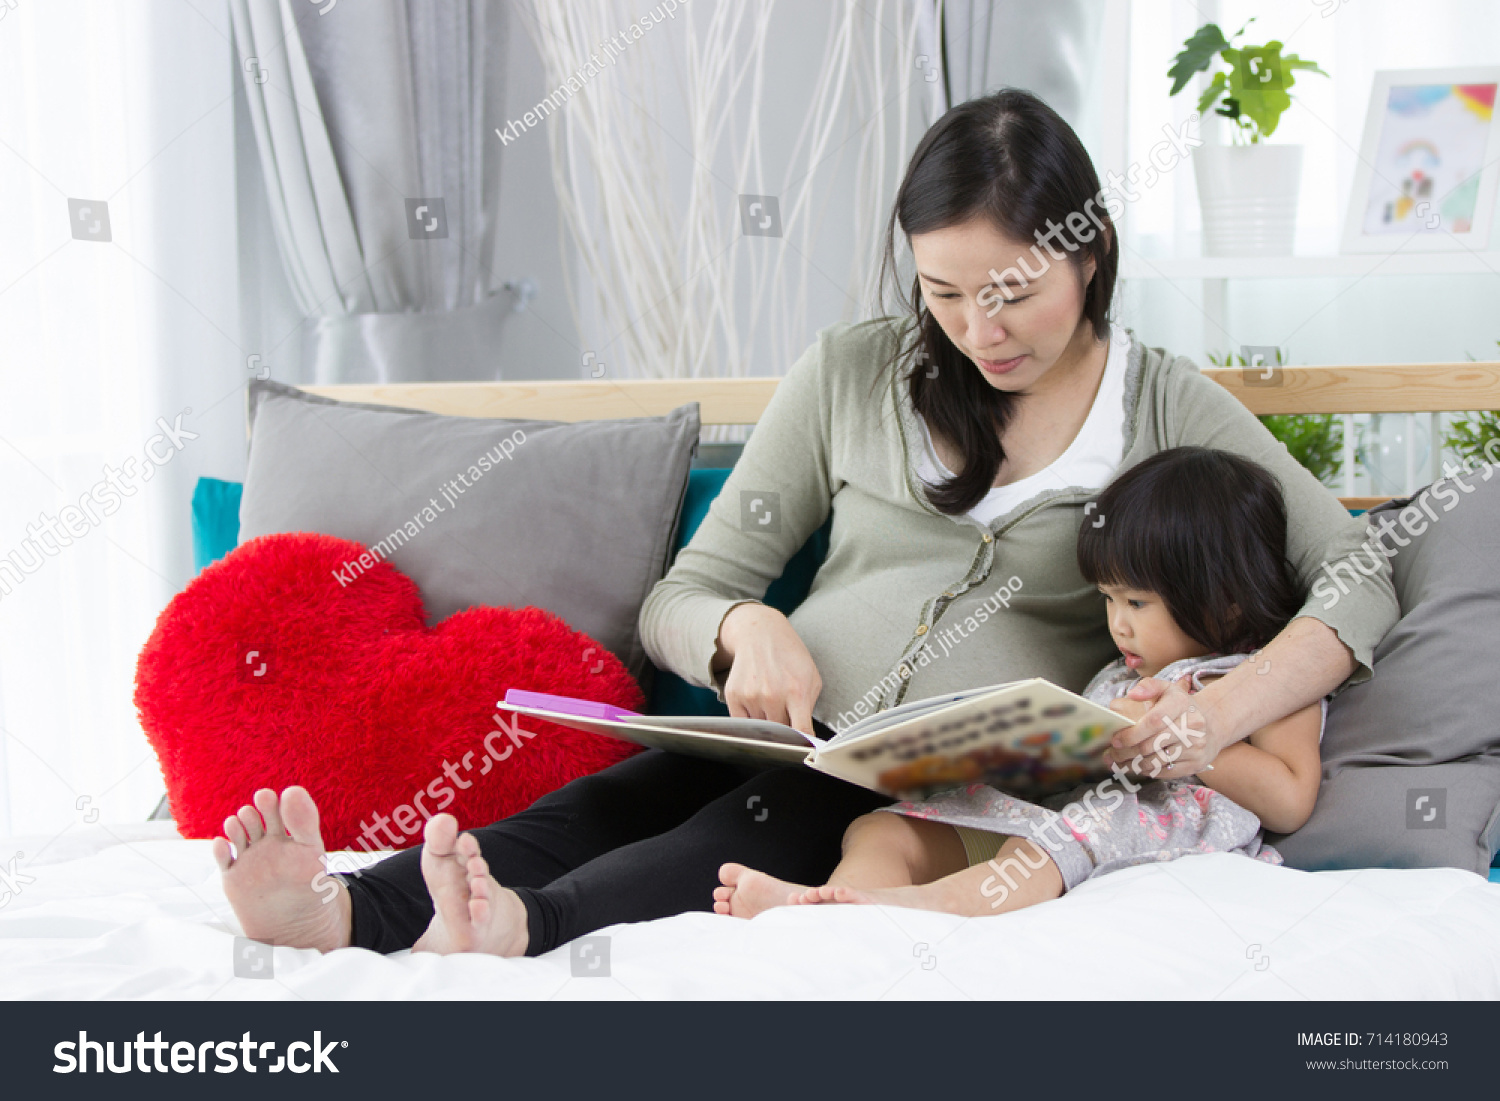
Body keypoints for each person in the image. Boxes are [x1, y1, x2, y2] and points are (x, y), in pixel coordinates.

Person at [212, 88, 1396, 959]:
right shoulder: (850, 373)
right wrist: (741, 629)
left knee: (753, 820)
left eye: (1013, 293)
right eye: (942, 294)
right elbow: (681, 594)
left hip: (956, 781)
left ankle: (525, 930)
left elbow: (1358, 565)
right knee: (620, 796)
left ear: (1089, 257)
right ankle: (345, 911)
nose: (980, 331)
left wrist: (1224, 710)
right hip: (812, 734)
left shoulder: (1168, 402)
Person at [713, 447, 1325, 919]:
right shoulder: (1120, 673)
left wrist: (1187, 742)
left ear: (1225, 601)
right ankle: (837, 904)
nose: (1118, 623)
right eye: (1108, 599)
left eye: (1137, 602)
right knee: (882, 827)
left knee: (1043, 847)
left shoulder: (1258, 674)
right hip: (1055, 811)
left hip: (1144, 829)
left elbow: (1292, 798)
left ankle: (919, 912)